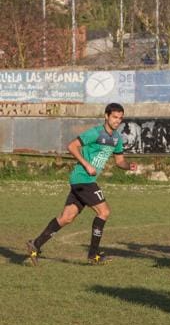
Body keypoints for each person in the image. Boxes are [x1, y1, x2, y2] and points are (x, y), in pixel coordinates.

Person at [27, 103, 137, 266]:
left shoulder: (116, 139)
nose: (117, 121)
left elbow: (119, 161)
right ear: (106, 116)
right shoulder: (95, 133)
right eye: (114, 117)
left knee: (66, 218)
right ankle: (93, 255)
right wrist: (87, 164)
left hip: (84, 181)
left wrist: (129, 166)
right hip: (83, 179)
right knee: (104, 212)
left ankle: (35, 244)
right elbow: (72, 146)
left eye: (120, 118)